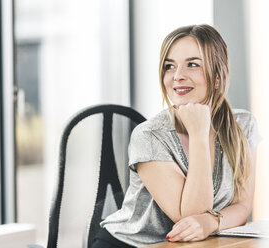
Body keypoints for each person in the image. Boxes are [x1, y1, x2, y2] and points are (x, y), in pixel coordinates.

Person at [93, 24, 260, 248]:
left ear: (217, 76)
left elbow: (242, 206)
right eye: (169, 66)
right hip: (131, 245)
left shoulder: (242, 125)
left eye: (192, 64)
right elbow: (191, 217)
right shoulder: (149, 135)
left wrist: (211, 222)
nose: (178, 76)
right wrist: (199, 133)